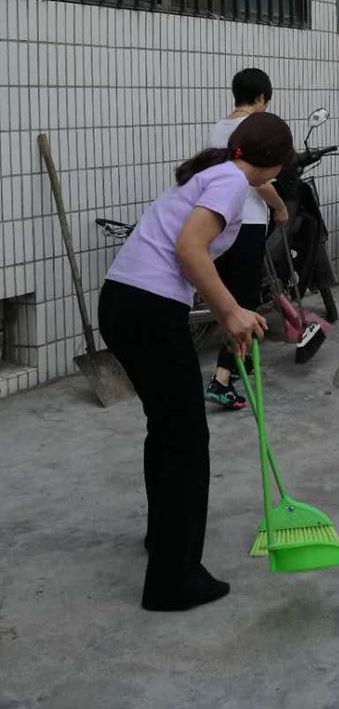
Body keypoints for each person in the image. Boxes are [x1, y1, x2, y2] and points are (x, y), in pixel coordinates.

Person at [98, 113, 294, 611]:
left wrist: (230, 312)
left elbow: (190, 253)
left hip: (124, 302)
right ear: (275, 164)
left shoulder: (214, 172)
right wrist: (229, 311)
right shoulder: (230, 182)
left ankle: (162, 540)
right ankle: (174, 579)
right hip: (148, 310)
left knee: (167, 429)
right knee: (186, 440)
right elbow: (189, 249)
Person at [204, 68, 289, 411]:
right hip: (248, 223)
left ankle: (244, 359)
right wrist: (280, 206)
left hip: (220, 224)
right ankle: (222, 378)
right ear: (260, 97)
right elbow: (258, 181)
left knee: (230, 297)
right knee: (243, 302)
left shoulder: (218, 128)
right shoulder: (252, 129)